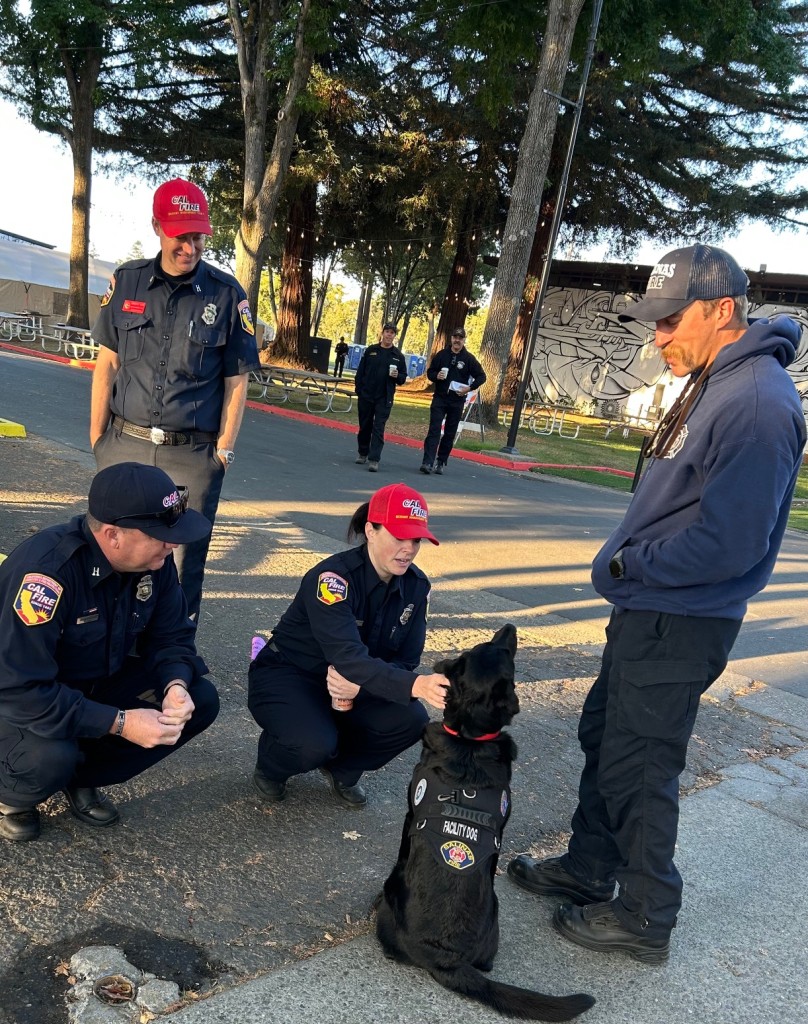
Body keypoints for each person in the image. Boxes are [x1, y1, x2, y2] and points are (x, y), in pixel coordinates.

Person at [508, 243, 806, 962]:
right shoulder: (718, 380)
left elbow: (730, 545)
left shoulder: (759, 404)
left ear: (722, 310)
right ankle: (588, 869)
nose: (658, 337)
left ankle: (645, 915)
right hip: (650, 608)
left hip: (681, 618)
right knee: (606, 738)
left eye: (671, 321)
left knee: (639, 763)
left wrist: (628, 559)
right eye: (655, 321)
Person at [0, 463, 220, 843]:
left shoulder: (155, 563)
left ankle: (81, 779)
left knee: (200, 699)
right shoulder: (46, 576)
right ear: (113, 534)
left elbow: (172, 637)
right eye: (160, 535)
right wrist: (121, 722)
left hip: (94, 683)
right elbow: (20, 690)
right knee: (50, 757)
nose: (173, 545)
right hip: (24, 700)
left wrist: (175, 684)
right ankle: (12, 794)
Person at [90, 177, 261, 620]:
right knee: (109, 553)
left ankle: (172, 666)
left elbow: (236, 382)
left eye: (199, 235)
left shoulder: (226, 295)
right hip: (123, 446)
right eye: (180, 234)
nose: (190, 245)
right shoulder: (126, 282)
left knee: (181, 567)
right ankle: (101, 656)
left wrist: (222, 452)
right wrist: (97, 440)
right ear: (156, 226)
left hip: (191, 456)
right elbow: (106, 364)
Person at [247, 483, 449, 809]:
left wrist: (364, 688)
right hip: (293, 674)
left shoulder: (416, 586)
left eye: (416, 539)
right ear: (371, 530)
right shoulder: (332, 579)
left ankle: (342, 769)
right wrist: (417, 685)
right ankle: (272, 765)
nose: (409, 548)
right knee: (311, 743)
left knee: (411, 718)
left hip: (356, 683)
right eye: (399, 537)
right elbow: (349, 657)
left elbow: (406, 659)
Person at [420, 327, 486, 474]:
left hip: (456, 401)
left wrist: (469, 388)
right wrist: (437, 376)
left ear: (464, 340)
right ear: (451, 339)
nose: (457, 340)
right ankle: (427, 462)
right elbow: (430, 372)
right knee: (434, 430)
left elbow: (482, 376)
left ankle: (441, 461)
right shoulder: (442, 355)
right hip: (440, 399)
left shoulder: (469, 359)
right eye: (455, 337)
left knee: (449, 433)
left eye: (460, 338)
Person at [354, 322, 408, 472]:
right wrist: (359, 390)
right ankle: (363, 452)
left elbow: (403, 378)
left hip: (384, 397)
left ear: (395, 336)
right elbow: (361, 372)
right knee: (365, 426)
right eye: (387, 332)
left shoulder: (398, 356)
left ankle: (374, 459)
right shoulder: (371, 350)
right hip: (367, 395)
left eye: (392, 333)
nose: (389, 335)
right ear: (382, 333)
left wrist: (398, 376)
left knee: (378, 427)